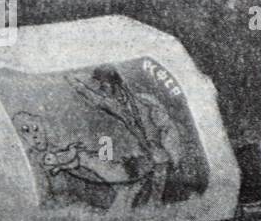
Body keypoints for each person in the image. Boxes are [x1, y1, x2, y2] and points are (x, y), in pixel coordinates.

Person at [68, 67, 185, 205]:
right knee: (136, 183)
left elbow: (166, 127)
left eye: (104, 85)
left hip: (158, 147)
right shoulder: (115, 104)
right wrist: (76, 84)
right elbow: (95, 99)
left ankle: (154, 203)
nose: (102, 89)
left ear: (116, 84)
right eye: (100, 86)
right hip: (144, 152)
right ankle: (144, 204)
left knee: (158, 167)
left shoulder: (146, 102)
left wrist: (173, 154)